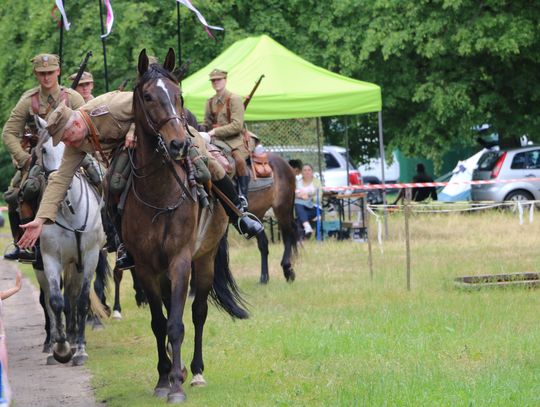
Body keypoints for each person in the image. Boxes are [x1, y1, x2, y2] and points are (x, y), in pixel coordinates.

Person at [17, 91, 263, 265]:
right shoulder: (77, 142)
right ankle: (124, 244)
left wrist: (134, 130)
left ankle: (238, 215)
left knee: (207, 166)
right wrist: (41, 219)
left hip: (163, 135)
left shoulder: (108, 106)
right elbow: (60, 179)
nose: (67, 144)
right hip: (131, 154)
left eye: (66, 137)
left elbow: (146, 104)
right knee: (110, 185)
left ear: (74, 124)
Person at [2, 53, 84, 261]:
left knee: (102, 180)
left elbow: (87, 125)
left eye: (50, 72)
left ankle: (110, 235)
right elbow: (9, 132)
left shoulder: (72, 97)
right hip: (38, 157)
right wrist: (23, 158)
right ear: (35, 74)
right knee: (16, 192)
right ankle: (22, 244)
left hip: (72, 153)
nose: (46, 77)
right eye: (41, 73)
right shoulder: (28, 101)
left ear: (58, 72)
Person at [201, 69, 251, 208]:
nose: (216, 82)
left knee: (239, 160)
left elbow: (237, 125)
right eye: (213, 80)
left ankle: (242, 196)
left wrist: (214, 131)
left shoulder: (234, 99)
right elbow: (206, 124)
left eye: (219, 79)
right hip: (215, 140)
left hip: (234, 140)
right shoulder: (210, 102)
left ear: (225, 80)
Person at [0, 271, 23, 406]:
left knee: (2, 372)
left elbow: (3, 294)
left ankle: (3, 400)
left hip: (0, 339)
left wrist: (17, 286)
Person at [294, 164, 322, 239]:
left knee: (300, 217)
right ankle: (307, 228)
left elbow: (319, 197)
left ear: (312, 171)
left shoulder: (317, 182)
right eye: (305, 170)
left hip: (314, 207)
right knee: (298, 205)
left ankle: (301, 239)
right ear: (302, 172)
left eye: (309, 170)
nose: (307, 172)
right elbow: (293, 194)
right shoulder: (298, 182)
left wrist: (308, 196)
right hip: (301, 207)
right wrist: (300, 196)